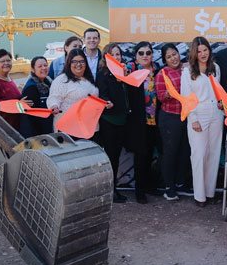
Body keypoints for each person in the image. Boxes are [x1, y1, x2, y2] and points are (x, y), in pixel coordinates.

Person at [181, 37, 224, 207]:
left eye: (205, 50)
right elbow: (186, 97)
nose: (203, 54)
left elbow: (218, 92)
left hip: (216, 113)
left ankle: (209, 192)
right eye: (199, 51)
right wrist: (193, 119)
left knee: (213, 153)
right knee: (198, 154)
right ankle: (199, 195)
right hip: (198, 113)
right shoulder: (188, 71)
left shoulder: (216, 68)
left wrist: (221, 103)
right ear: (194, 53)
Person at [96, 43, 131, 203]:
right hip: (109, 120)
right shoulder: (103, 73)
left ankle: (114, 188)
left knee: (117, 155)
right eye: (113, 55)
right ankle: (110, 191)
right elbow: (102, 93)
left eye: (118, 54)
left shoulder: (123, 73)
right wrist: (106, 101)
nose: (116, 58)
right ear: (106, 57)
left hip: (122, 119)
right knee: (111, 157)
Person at [155, 43, 191, 201]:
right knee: (170, 153)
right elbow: (161, 96)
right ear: (165, 60)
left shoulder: (187, 70)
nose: (173, 58)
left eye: (174, 54)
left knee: (185, 152)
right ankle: (168, 187)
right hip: (170, 117)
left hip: (187, 117)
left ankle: (181, 184)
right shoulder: (162, 74)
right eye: (169, 57)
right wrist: (170, 93)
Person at [125, 41, 159, 203]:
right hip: (138, 121)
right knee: (140, 155)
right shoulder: (131, 72)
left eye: (148, 53)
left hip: (154, 120)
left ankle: (149, 186)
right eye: (141, 53)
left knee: (150, 155)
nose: (145, 56)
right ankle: (139, 190)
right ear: (136, 56)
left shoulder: (157, 71)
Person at [47, 48, 103, 131]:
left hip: (89, 128)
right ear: (69, 63)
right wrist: (54, 106)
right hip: (69, 128)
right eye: (74, 61)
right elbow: (54, 97)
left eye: (82, 61)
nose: (78, 64)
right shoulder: (62, 80)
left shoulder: (89, 78)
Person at [0, 49, 28, 130]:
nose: (6, 63)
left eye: (8, 60)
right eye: (2, 61)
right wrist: (19, 104)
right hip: (3, 129)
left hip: (16, 126)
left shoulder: (10, 79)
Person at [19, 56, 54, 138]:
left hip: (46, 129)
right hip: (37, 134)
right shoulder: (31, 88)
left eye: (45, 65)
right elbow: (32, 116)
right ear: (32, 69)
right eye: (40, 66)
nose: (44, 68)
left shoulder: (48, 83)